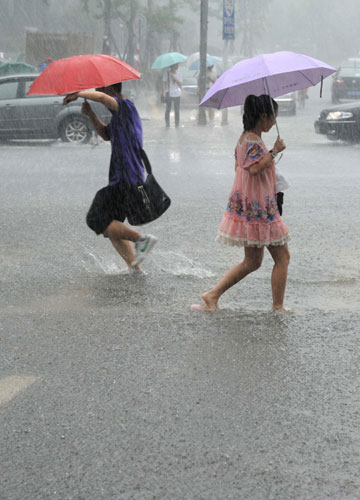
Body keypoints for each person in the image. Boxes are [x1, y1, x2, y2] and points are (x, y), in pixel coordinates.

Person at [191, 94, 290, 312]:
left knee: (252, 262)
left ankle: (212, 295)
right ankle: (278, 307)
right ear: (263, 116)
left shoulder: (244, 138)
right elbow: (253, 168)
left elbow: (239, 167)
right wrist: (274, 151)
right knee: (282, 256)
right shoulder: (253, 141)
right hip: (260, 210)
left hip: (253, 207)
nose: (274, 122)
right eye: (273, 117)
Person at [63, 83, 158, 272]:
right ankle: (135, 269)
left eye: (99, 90)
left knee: (96, 219)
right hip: (121, 176)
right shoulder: (118, 117)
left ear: (110, 90)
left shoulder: (126, 106)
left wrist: (77, 93)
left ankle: (142, 240)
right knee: (112, 227)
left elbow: (104, 99)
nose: (97, 94)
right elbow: (106, 135)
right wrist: (90, 114)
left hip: (126, 176)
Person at [162, 63, 182, 127]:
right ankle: (167, 124)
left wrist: (175, 78)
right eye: (176, 65)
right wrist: (164, 91)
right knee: (168, 109)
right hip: (169, 93)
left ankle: (177, 124)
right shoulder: (167, 73)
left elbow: (180, 84)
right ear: (172, 65)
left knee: (177, 110)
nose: (177, 66)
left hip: (177, 93)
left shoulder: (179, 73)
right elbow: (164, 82)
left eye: (178, 65)